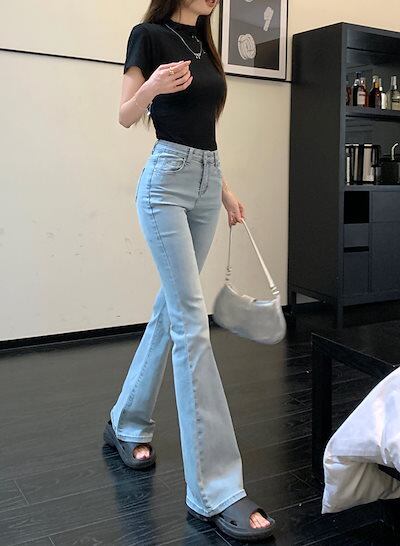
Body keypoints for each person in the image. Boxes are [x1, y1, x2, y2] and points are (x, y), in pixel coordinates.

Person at [103, 0, 276, 541]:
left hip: (206, 182)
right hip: (165, 184)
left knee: (172, 312)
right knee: (191, 324)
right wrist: (152, 86)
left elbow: (204, 130)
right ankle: (215, 491)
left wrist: (224, 191)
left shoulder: (204, 44)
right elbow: (125, 114)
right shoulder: (148, 35)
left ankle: (126, 421)